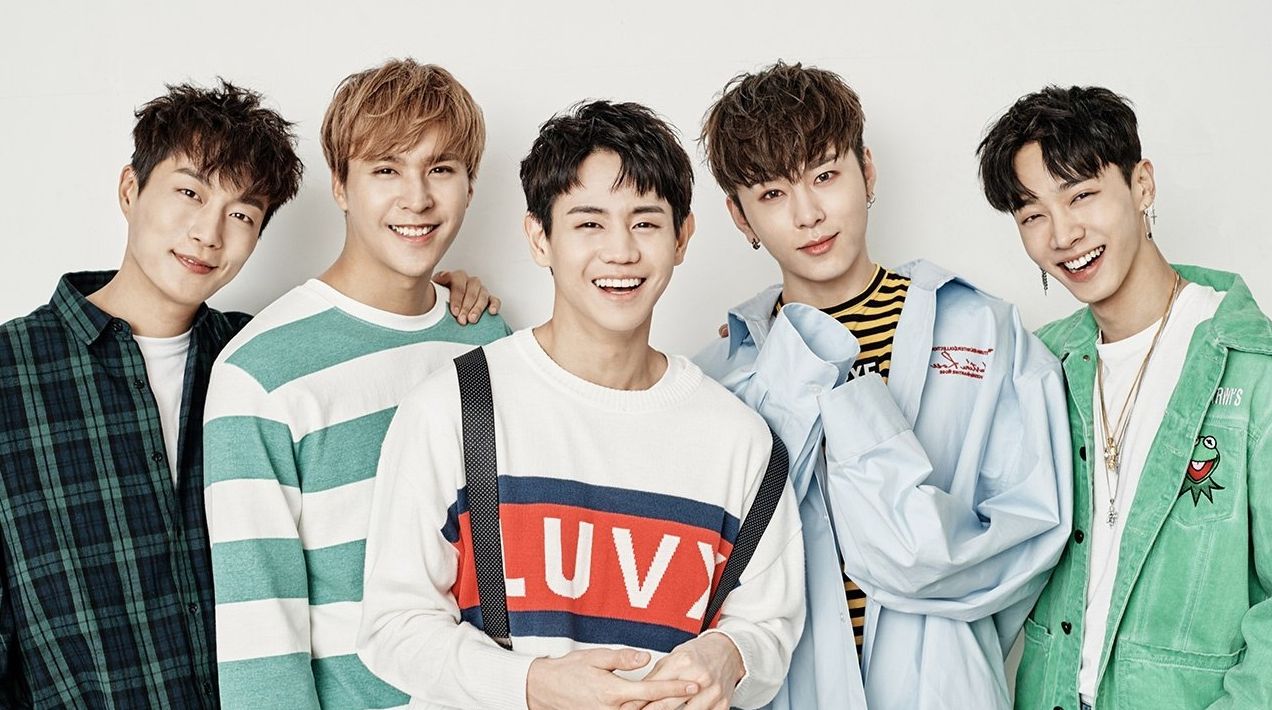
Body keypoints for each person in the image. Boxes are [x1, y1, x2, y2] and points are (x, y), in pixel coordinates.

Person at [357, 100, 804, 710]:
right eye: (589, 223)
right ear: (539, 237)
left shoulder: (740, 440)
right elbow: (393, 627)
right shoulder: (454, 408)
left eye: (645, 223)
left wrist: (729, 654)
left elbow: (769, 626)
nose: (620, 251)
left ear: (682, 237)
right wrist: (531, 683)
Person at [694, 61, 1073, 709]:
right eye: (773, 194)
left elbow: (1029, 542)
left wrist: (942, 638)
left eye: (825, 176)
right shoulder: (720, 377)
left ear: (867, 171)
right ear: (739, 216)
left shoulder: (983, 331)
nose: (809, 215)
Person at [203, 59, 508, 708]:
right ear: (340, 185)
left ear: (470, 185)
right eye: (386, 169)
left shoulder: (488, 340)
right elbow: (261, 638)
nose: (417, 198)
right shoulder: (258, 373)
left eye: (441, 168)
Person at [0, 80, 302, 708]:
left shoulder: (263, 358)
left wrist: (441, 293)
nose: (209, 233)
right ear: (130, 190)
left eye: (241, 214)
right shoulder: (9, 370)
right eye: (190, 192)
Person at [978, 84, 1272, 710]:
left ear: (1142, 185)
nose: (1063, 234)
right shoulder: (1040, 367)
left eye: (1081, 195)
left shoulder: (1252, 369)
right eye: (1032, 215)